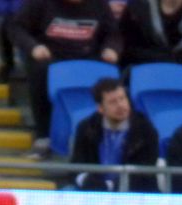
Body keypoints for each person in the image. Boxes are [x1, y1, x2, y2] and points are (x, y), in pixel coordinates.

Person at [8, 0, 121, 158]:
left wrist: (111, 48)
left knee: (111, 73)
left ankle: (106, 134)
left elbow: (113, 33)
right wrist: (33, 47)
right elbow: (16, 27)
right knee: (39, 70)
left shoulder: (99, 4)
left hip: (87, 57)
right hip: (51, 57)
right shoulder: (39, 3)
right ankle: (44, 136)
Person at [68, 77, 160, 191]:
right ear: (100, 108)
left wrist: (110, 186)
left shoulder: (145, 129)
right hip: (94, 193)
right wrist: (88, 180)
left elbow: (145, 173)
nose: (120, 105)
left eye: (122, 98)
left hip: (134, 194)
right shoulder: (86, 128)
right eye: (113, 102)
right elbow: (77, 167)